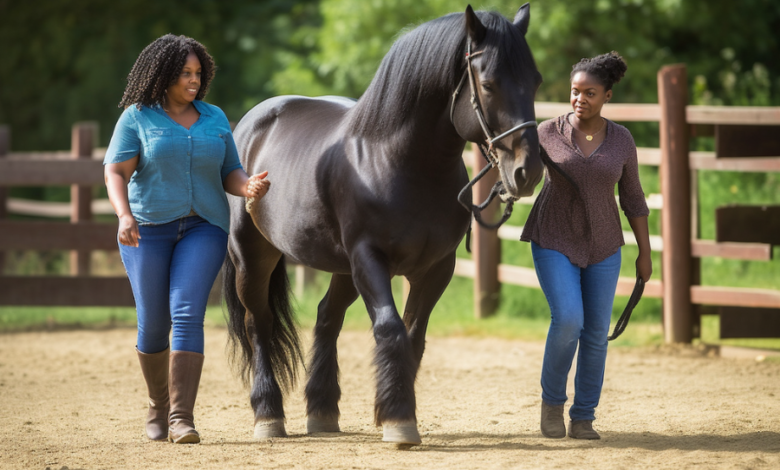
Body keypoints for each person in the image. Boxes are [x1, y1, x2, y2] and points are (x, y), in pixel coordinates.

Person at [104, 34, 269, 444]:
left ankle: (181, 418)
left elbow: (230, 170)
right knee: (153, 325)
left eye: (198, 73)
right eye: (185, 74)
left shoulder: (214, 118)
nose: (194, 80)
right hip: (147, 228)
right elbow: (115, 172)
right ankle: (157, 405)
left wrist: (247, 186)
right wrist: (124, 215)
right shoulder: (137, 117)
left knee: (187, 313)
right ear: (162, 75)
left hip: (204, 227)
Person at [520, 51, 652, 440]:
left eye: (589, 93)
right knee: (568, 319)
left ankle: (583, 417)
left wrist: (645, 253)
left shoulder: (622, 140)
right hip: (554, 236)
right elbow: (516, 170)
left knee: (595, 333)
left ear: (607, 96)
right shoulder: (546, 132)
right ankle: (552, 405)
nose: (580, 99)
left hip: (605, 244)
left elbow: (634, 199)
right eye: (575, 91)